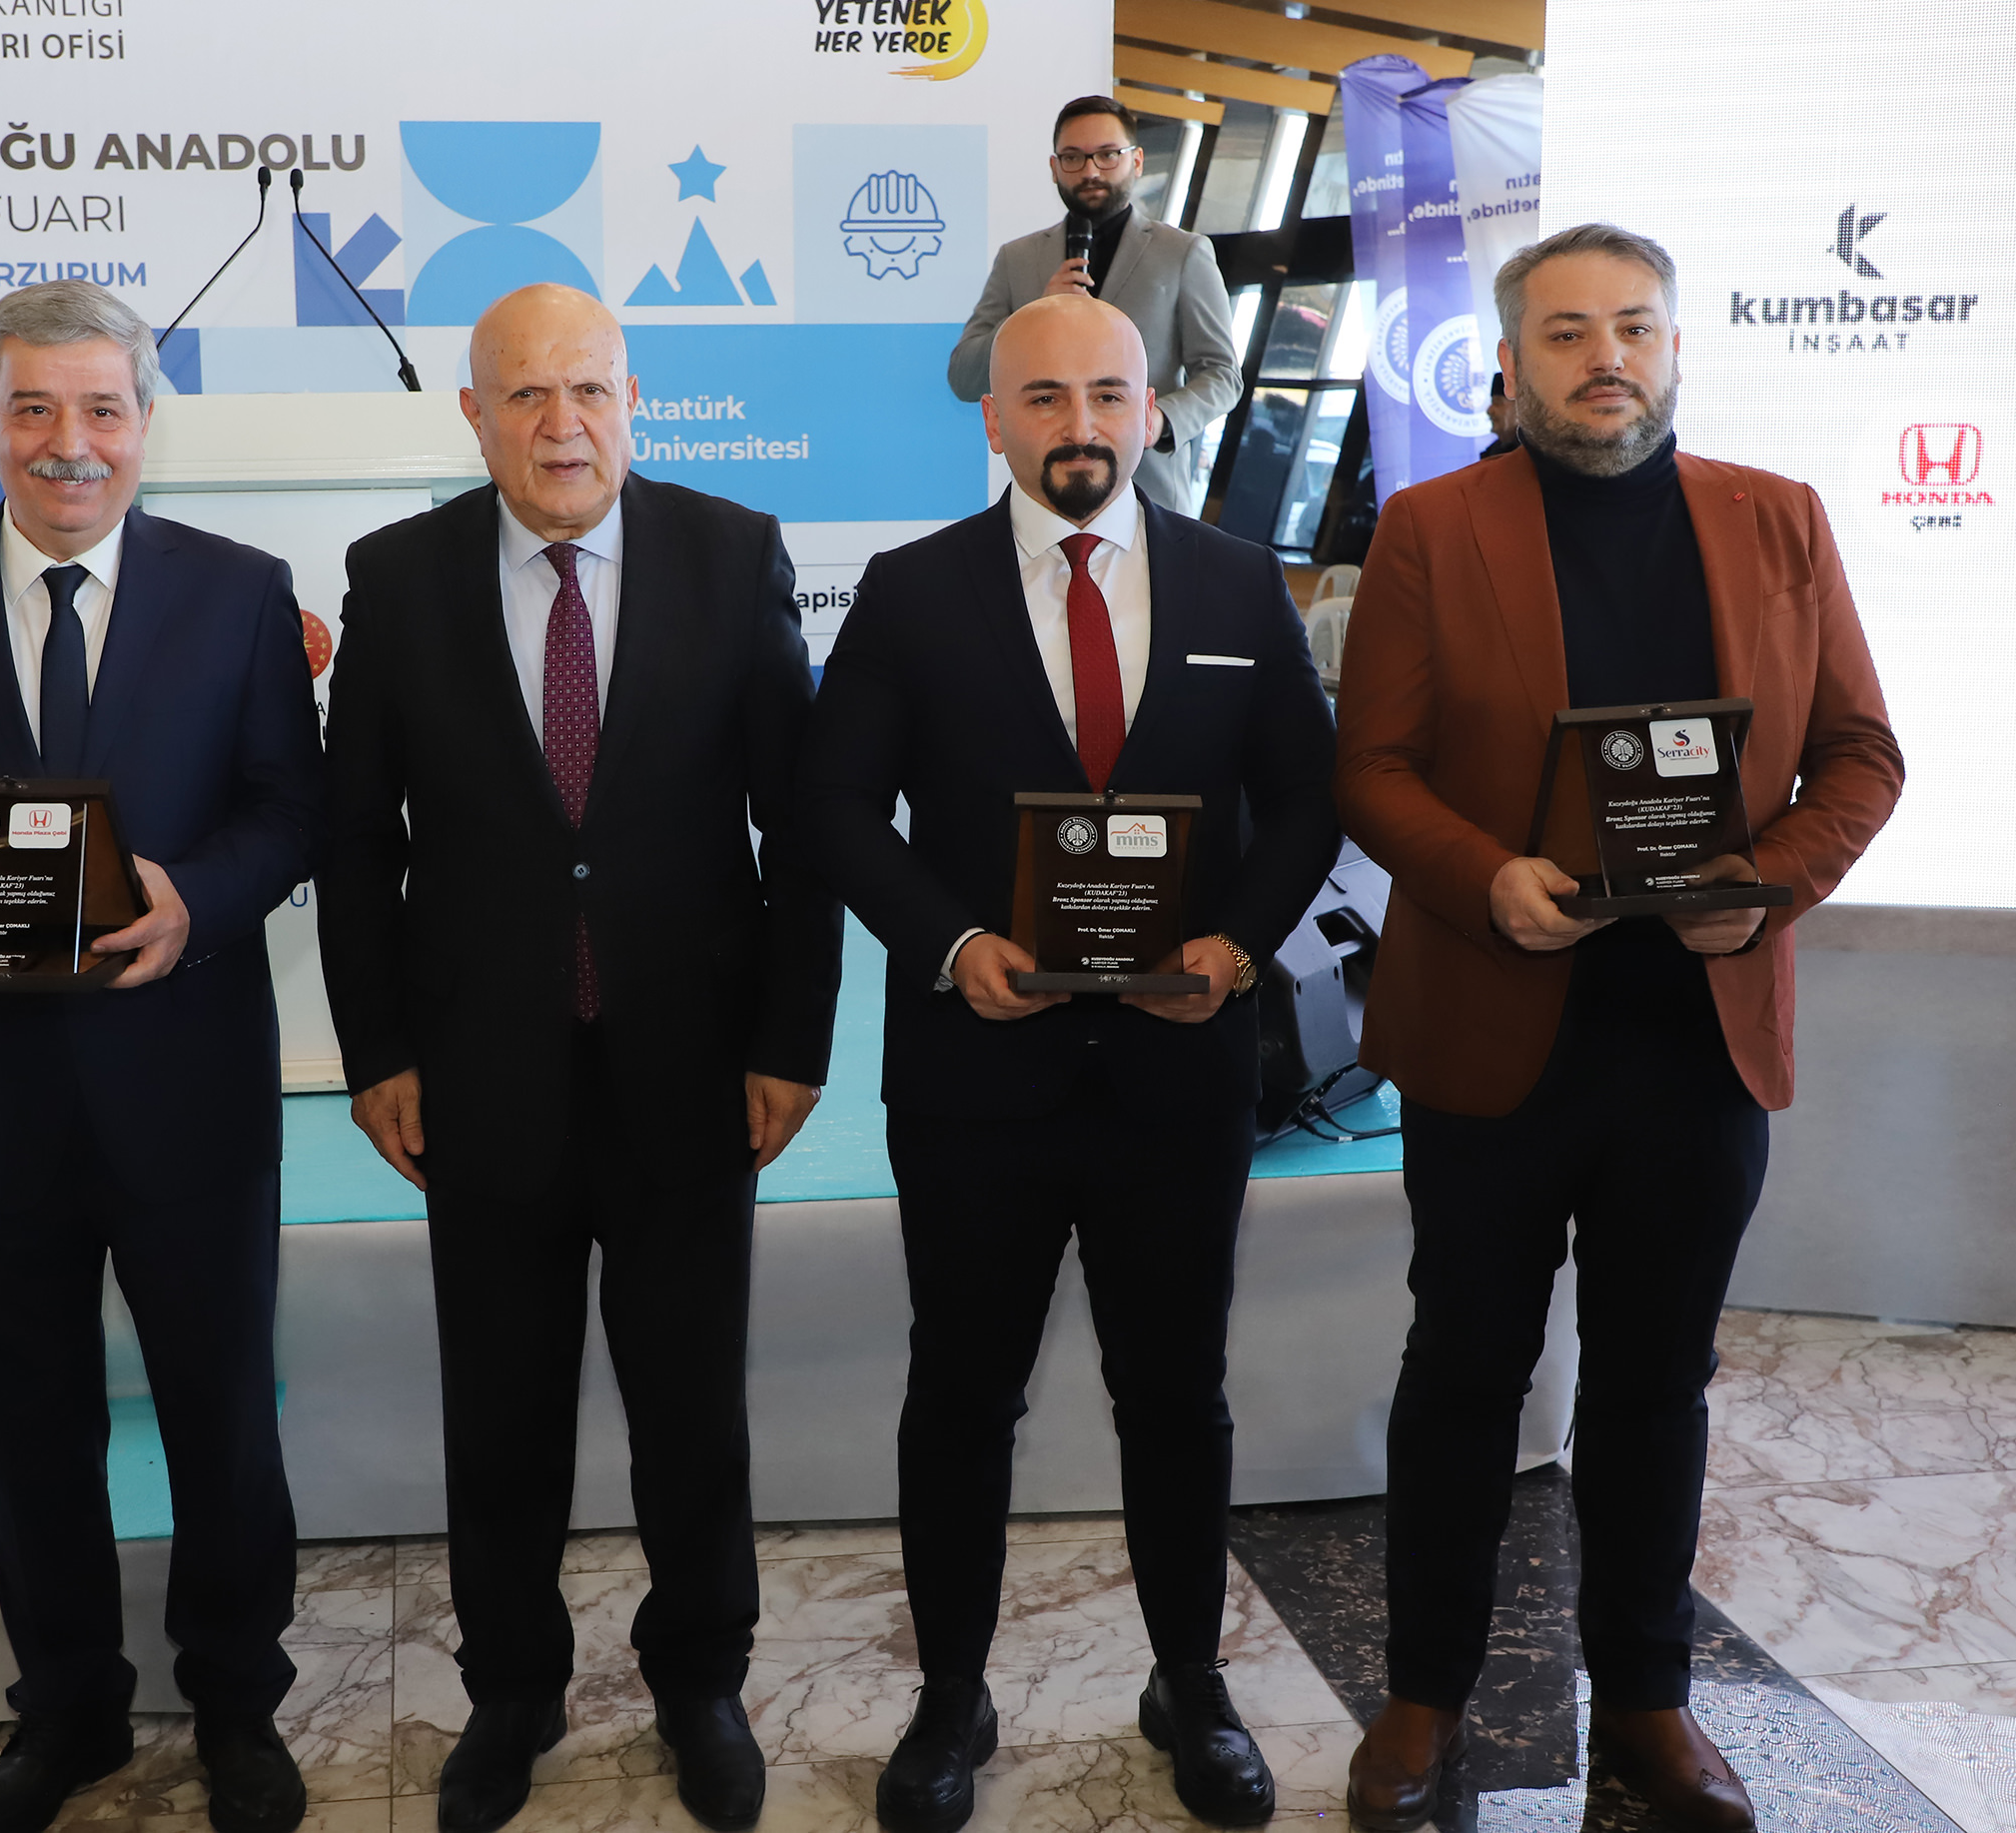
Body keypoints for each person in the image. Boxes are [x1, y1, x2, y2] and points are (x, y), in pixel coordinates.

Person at [1332, 224, 1904, 1833]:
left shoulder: (1776, 518)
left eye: (1633, 328)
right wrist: (1484, 876)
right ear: (1508, 363)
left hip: (1693, 1039)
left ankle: (1646, 1704)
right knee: (1462, 1370)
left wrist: (1764, 888)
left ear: (1672, 347)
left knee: (1657, 1380)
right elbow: (1368, 765)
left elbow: (1859, 753)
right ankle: (1422, 1692)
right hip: (1493, 1028)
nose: (1605, 358)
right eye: (1568, 331)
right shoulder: (1431, 528)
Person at [0, 280, 326, 1833]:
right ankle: (69, 1709)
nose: (68, 443)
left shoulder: (240, 594)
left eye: (101, 408)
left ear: (146, 422)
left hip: (187, 1082)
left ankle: (236, 1701)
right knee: (30, 1421)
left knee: (220, 1413)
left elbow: (289, 809)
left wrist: (194, 897)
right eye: (33, 408)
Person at [805, 294, 1340, 1833]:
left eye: (1106, 392)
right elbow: (833, 805)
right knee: (958, 1394)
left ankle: (1191, 1680)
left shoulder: (1237, 580)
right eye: (1042, 396)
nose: (1078, 423)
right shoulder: (910, 591)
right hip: (976, 1074)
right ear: (993, 419)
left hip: (1178, 1074)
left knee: (1174, 1390)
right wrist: (949, 940)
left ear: (1152, 408)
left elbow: (1306, 801)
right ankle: (948, 1695)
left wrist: (1234, 943)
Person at [317, 285, 843, 1833]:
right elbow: (353, 846)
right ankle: (510, 1688)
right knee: (500, 1407)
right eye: (527, 396)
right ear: (471, 415)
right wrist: (375, 1047)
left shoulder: (732, 554)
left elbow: (800, 826)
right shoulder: (395, 577)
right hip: (477, 1076)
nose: (563, 426)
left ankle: (700, 1677)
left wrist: (790, 1039)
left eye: (590, 390)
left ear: (633, 397)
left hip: (692, 1068)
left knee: (691, 1405)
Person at [949, 96, 1244, 515]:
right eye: (1073, 158)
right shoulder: (1018, 258)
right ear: (1054, 168)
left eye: (1107, 155)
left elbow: (1223, 374)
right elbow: (964, 378)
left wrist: (1160, 419)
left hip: (1152, 496)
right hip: (1043, 497)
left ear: (1136, 161)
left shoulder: (1183, 253)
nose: (1090, 171)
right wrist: (1033, 311)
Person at [1478, 373, 1518, 458]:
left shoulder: (1536, 454)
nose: (1489, 410)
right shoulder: (1491, 453)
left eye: (1498, 403)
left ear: (1520, 408)